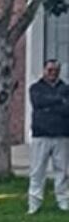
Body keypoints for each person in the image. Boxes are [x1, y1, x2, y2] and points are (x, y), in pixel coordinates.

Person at [27, 58, 69, 213]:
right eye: (50, 70)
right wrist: (59, 101)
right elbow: (38, 102)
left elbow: (67, 110)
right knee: (37, 171)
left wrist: (49, 107)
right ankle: (34, 205)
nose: (53, 73)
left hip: (62, 135)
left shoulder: (65, 88)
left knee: (62, 172)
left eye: (56, 70)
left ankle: (63, 203)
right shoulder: (35, 88)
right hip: (41, 135)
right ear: (44, 70)